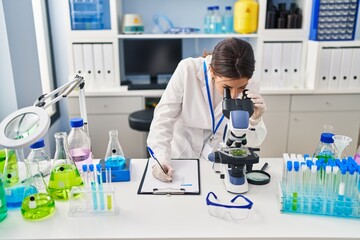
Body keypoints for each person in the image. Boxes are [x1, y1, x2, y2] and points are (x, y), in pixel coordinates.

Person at [147, 37, 267, 182]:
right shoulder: (188, 69)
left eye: (241, 88)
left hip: (219, 162)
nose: (235, 95)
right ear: (212, 71)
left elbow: (251, 142)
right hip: (181, 159)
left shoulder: (250, 83)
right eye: (227, 88)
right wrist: (160, 161)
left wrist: (254, 120)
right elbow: (163, 120)